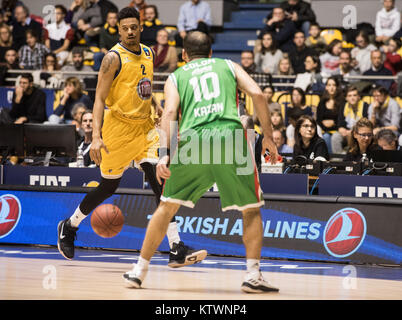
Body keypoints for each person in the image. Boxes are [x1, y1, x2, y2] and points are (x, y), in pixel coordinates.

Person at [123, 30, 280, 293]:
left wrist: (164, 153)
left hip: (192, 140)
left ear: (183, 55)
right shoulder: (228, 65)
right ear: (210, 53)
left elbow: (170, 112)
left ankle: (139, 271)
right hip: (230, 137)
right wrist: (269, 139)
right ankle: (253, 275)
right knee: (250, 209)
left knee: (166, 207)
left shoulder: (176, 75)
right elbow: (258, 94)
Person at [56, 7, 205, 268]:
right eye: (124, 28)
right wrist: (97, 137)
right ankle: (70, 225)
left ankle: (175, 247)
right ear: (119, 29)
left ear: (141, 26)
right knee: (108, 187)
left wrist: (156, 106)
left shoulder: (148, 52)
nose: (129, 32)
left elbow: (144, 85)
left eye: (133, 27)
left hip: (145, 128)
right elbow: (99, 99)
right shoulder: (112, 58)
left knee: (160, 179)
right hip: (117, 129)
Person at [331, 85, 369, 154]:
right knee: (335, 136)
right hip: (347, 133)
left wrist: (353, 132)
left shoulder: (365, 106)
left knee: (352, 135)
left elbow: (366, 124)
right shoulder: (343, 106)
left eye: (354, 95)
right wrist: (341, 129)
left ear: (359, 97)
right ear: (346, 98)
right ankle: (338, 159)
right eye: (350, 96)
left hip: (360, 133)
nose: (352, 98)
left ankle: (353, 156)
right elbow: (340, 124)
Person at [316, 76, 345, 153]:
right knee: (325, 136)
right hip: (324, 130)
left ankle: (336, 160)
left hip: (337, 130)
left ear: (337, 87)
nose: (331, 88)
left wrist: (333, 123)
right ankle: (327, 160)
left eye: (334, 85)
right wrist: (324, 125)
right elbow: (318, 120)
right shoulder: (322, 102)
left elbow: (342, 120)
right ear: (326, 87)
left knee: (333, 136)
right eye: (329, 85)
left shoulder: (342, 102)